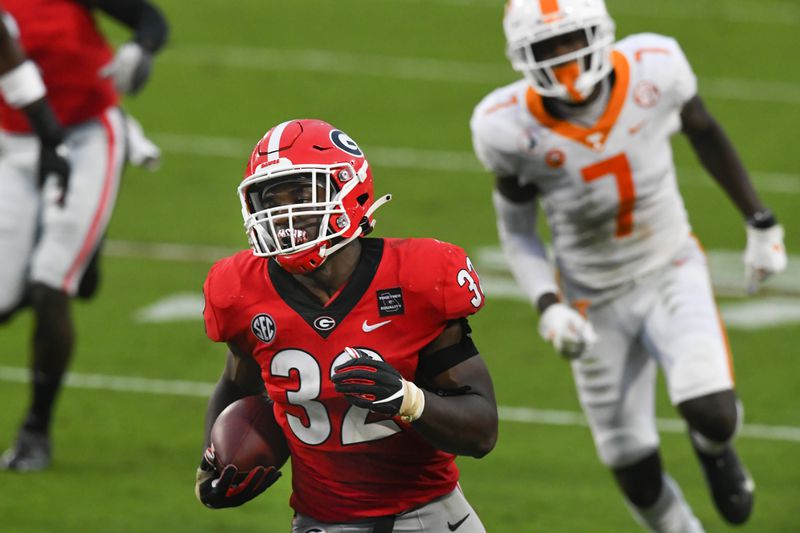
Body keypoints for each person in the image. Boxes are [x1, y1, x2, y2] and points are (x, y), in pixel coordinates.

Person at [470, 0, 787, 531]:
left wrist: (761, 222)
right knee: (631, 466)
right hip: (592, 297)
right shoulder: (506, 127)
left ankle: (714, 451)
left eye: (573, 40)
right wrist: (549, 306)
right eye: (548, 47)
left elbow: (704, 131)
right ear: (523, 55)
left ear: (601, 31)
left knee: (713, 411)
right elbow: (518, 231)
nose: (566, 57)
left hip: (669, 264)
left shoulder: (655, 67)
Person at [195, 119, 498, 532]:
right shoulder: (239, 289)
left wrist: (406, 399)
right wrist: (212, 464)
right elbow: (237, 382)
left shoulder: (419, 277)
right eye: (271, 199)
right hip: (322, 522)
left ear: (349, 191)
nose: (286, 214)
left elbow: (481, 431)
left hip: (431, 516)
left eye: (302, 193)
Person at [0, 0, 169, 471]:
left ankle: (35, 430)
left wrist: (141, 48)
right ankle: (79, 252)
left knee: (52, 285)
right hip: (12, 143)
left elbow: (149, 17)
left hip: (88, 132)